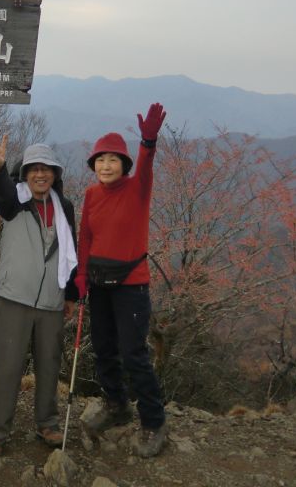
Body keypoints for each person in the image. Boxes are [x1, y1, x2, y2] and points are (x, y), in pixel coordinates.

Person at [74, 102, 169, 459]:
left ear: (125, 164)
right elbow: (85, 237)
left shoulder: (137, 188)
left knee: (133, 353)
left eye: (113, 159)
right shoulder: (91, 194)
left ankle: (154, 421)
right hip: (98, 283)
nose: (106, 165)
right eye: (100, 160)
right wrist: (82, 276)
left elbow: (146, 168)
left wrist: (148, 142)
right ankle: (116, 404)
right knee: (104, 347)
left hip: (131, 283)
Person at [0, 139, 80, 458]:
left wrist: (72, 294)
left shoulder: (63, 207)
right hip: (14, 297)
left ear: (55, 174)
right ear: (24, 173)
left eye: (46, 169)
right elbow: (2, 192)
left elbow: (71, 251)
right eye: (34, 169)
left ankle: (47, 423)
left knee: (49, 365)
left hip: (52, 299)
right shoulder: (16, 199)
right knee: (7, 367)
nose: (40, 174)